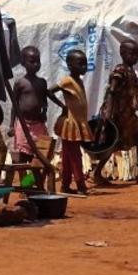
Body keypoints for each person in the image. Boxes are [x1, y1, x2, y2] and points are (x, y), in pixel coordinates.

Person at [94, 40, 138, 184]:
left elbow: (132, 97)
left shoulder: (132, 72)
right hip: (118, 116)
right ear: (122, 53)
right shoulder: (120, 70)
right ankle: (96, 173)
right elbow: (112, 90)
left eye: (136, 54)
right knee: (112, 145)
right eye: (131, 53)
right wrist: (108, 113)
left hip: (129, 116)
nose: (134, 57)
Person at [48, 49, 93, 194]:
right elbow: (49, 91)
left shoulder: (79, 80)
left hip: (77, 122)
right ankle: (80, 185)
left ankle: (65, 185)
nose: (84, 67)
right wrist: (62, 106)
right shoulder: (68, 81)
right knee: (75, 156)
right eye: (80, 64)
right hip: (70, 123)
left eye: (85, 64)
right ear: (70, 65)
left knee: (68, 156)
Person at [11, 46, 49, 166]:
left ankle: (33, 181)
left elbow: (44, 100)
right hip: (23, 124)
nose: (36, 64)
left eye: (38, 61)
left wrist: (44, 112)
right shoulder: (20, 83)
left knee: (39, 155)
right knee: (22, 155)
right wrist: (11, 125)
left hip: (38, 123)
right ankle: (23, 182)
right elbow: (15, 105)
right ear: (23, 63)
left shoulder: (42, 82)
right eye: (32, 61)